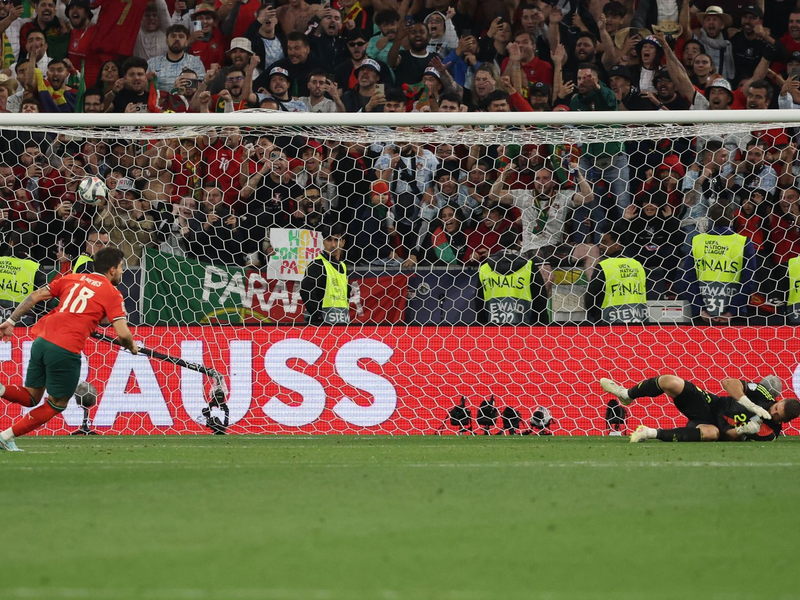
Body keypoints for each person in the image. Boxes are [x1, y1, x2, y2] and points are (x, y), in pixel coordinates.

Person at [0, 247, 137, 452]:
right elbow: (123, 334)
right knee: (57, 403)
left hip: (41, 341)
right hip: (65, 348)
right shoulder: (112, 293)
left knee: (32, 396)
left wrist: (11, 321)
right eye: (120, 267)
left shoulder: (72, 278)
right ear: (112, 270)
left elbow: (36, 295)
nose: (122, 271)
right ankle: (5, 437)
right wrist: (132, 346)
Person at [600, 374, 800, 443]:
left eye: (777, 415)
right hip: (711, 404)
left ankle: (649, 433)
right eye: (776, 407)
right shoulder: (764, 396)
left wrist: (742, 431)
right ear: (778, 400)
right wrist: (749, 403)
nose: (772, 412)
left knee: (712, 433)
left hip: (714, 427)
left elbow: (727, 436)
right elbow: (728, 382)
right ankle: (626, 394)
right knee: (670, 382)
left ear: (783, 421)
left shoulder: (770, 433)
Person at [300, 226, 349, 324]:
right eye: (329, 240)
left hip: (341, 323)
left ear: (343, 242)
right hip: (321, 326)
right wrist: (318, 316)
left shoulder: (343, 266)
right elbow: (305, 291)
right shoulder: (317, 265)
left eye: (337, 240)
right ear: (323, 242)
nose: (333, 245)